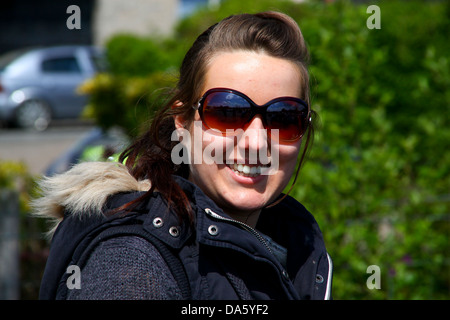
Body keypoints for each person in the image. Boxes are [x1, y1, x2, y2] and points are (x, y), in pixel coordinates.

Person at [33, 11, 332, 300]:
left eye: (283, 116)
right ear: (182, 120)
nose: (255, 142)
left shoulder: (299, 247)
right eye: (227, 112)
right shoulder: (132, 263)